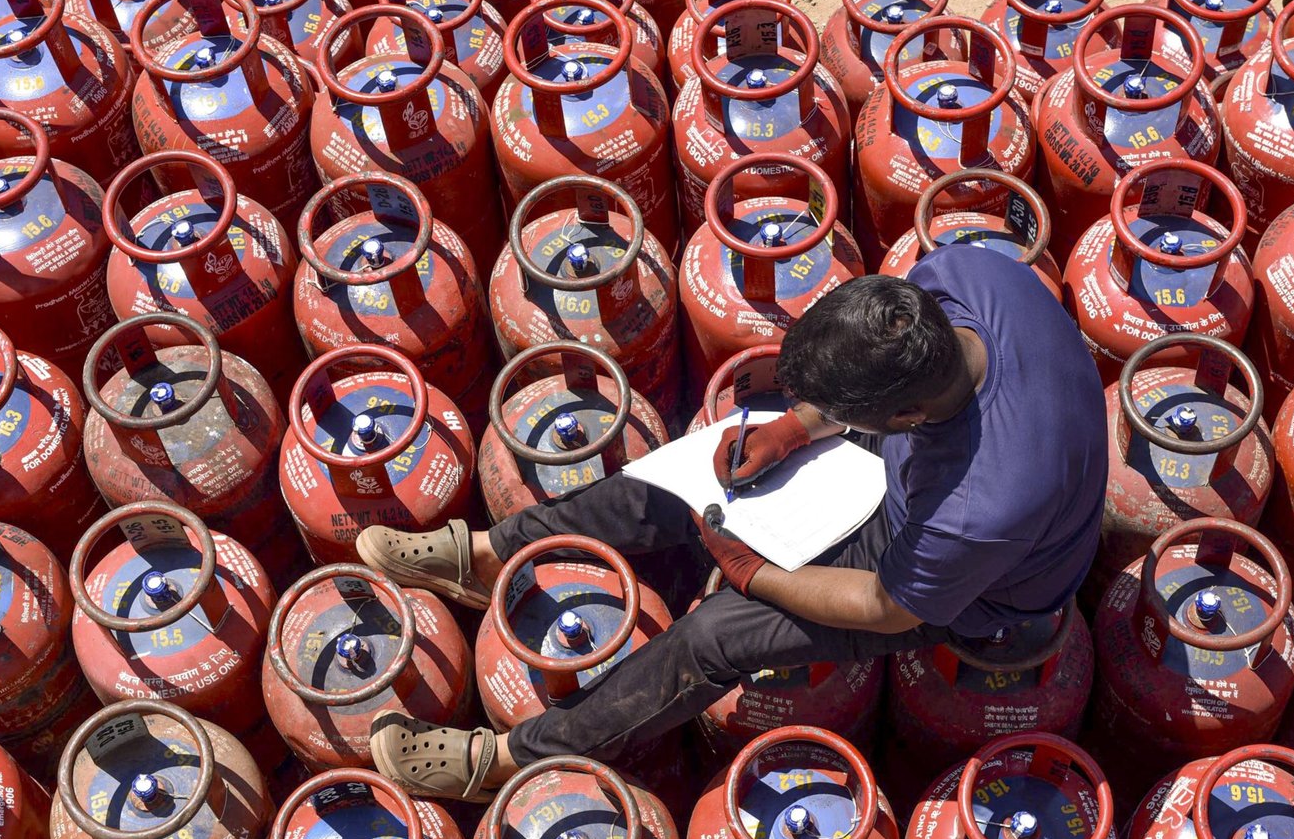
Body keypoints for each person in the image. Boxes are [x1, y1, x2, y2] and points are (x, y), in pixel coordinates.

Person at [354, 246, 1107, 800]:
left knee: (717, 633)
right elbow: (874, 390)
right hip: (917, 475)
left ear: (904, 414)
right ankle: (490, 554)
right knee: (693, 480)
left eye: (842, 411)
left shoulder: (979, 506)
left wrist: (756, 575)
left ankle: (512, 758)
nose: (823, 415)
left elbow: (888, 606)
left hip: (970, 586)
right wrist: (795, 428)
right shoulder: (966, 278)